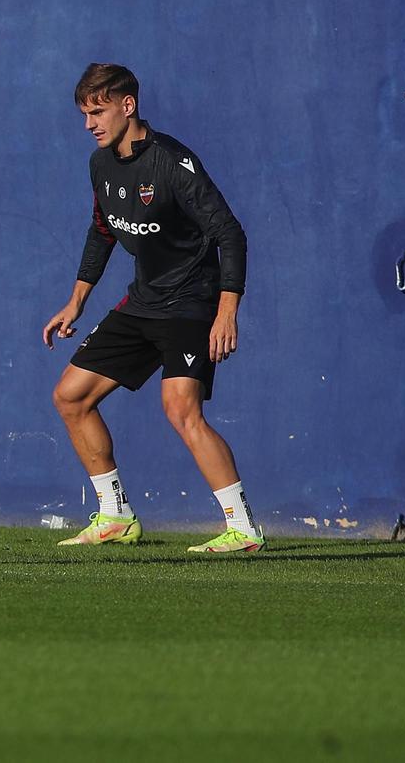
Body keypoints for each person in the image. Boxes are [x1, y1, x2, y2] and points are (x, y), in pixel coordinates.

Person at [42, 63, 261, 554]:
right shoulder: (100, 166)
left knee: (181, 410)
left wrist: (227, 311)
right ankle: (114, 515)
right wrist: (76, 299)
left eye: (97, 111)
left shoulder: (172, 162)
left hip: (191, 302)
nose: (89, 124)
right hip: (143, 301)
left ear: (128, 105)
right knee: (70, 397)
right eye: (83, 113)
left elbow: (230, 233)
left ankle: (243, 528)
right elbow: (102, 230)